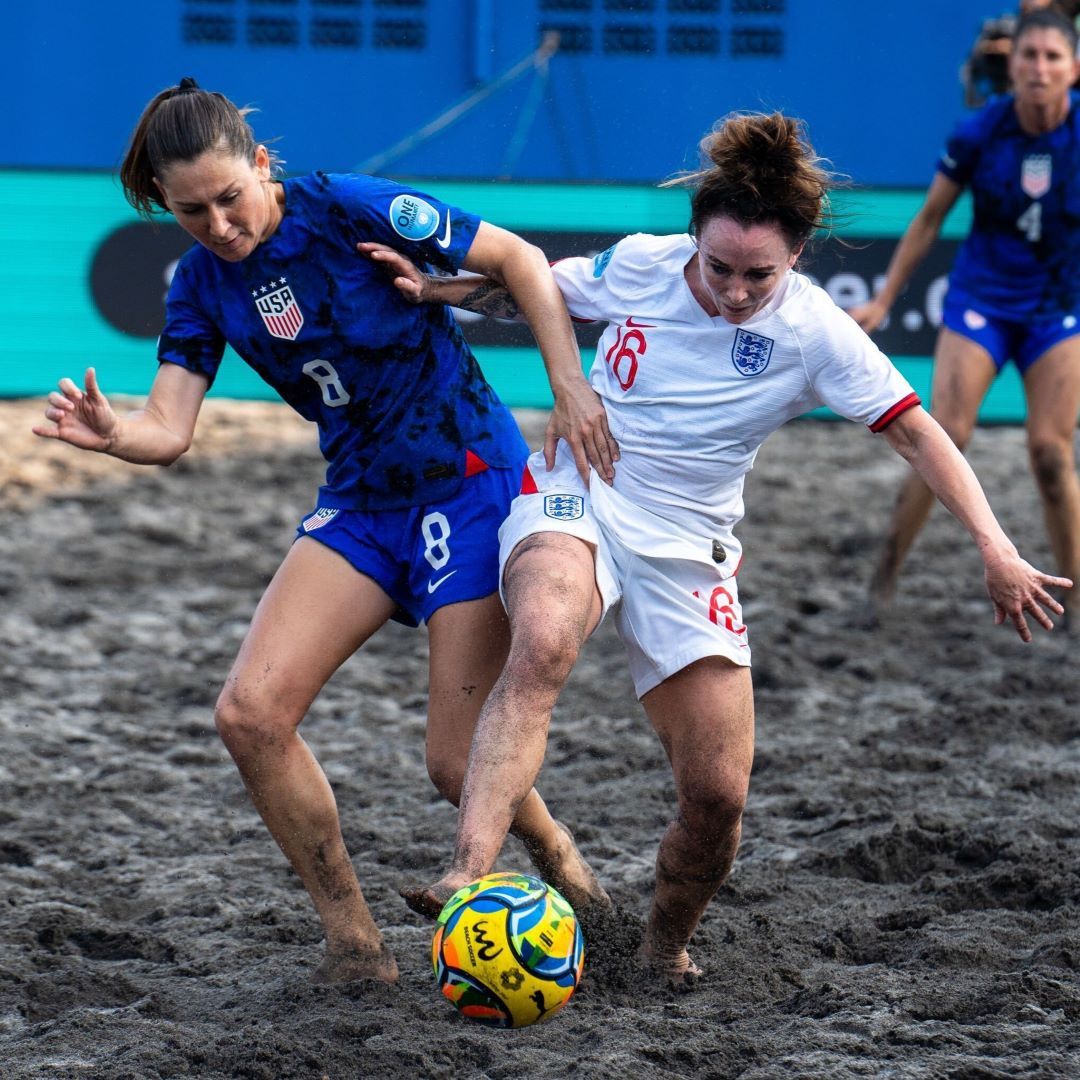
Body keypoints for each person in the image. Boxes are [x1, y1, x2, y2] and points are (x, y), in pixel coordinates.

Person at [360, 111, 1070, 984]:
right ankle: (469, 871)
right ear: (691, 239)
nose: (734, 290)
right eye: (718, 266)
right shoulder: (641, 264)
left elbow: (919, 434)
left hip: (690, 544)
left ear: (798, 258)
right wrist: (434, 290)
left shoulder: (815, 333)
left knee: (718, 799)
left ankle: (657, 951)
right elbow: (535, 291)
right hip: (580, 490)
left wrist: (996, 548)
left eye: (758, 275)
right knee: (545, 634)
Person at [32, 78, 618, 985]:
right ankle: (354, 941)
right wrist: (115, 435)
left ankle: (557, 854)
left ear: (262, 164)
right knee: (248, 715)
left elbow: (521, 260)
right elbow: (170, 428)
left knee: (456, 763)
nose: (220, 226)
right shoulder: (199, 286)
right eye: (192, 212)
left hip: (466, 482)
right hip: (361, 500)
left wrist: (568, 381)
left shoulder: (348, 205)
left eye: (231, 198)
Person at [851, 8, 1080, 625]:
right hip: (983, 299)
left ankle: (1075, 602)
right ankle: (882, 583)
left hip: (1056, 307)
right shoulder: (981, 130)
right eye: (1028, 56)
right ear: (1012, 65)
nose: (1038, 68)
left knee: (1051, 456)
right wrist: (884, 299)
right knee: (944, 433)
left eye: (1052, 57)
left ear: (1074, 68)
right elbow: (928, 220)